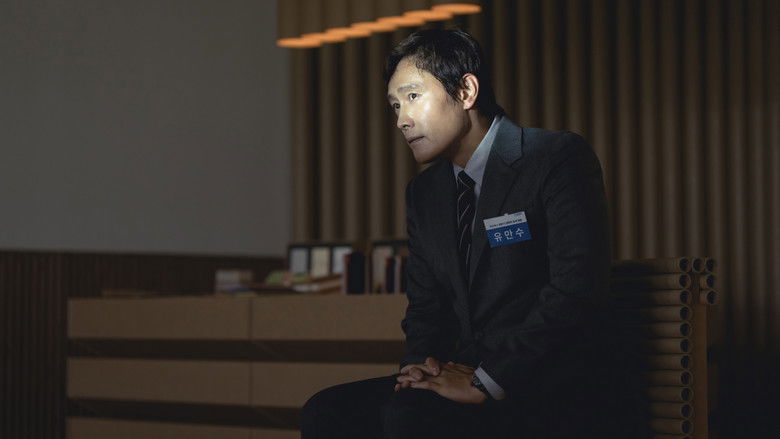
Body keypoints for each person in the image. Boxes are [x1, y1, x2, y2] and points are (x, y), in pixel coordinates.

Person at [301, 28, 640, 439]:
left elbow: (576, 288)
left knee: (410, 417)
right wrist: (420, 368)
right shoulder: (424, 193)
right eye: (395, 105)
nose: (401, 120)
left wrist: (488, 380)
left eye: (413, 96)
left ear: (466, 91)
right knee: (326, 411)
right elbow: (426, 307)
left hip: (547, 380)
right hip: (461, 373)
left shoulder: (554, 157)